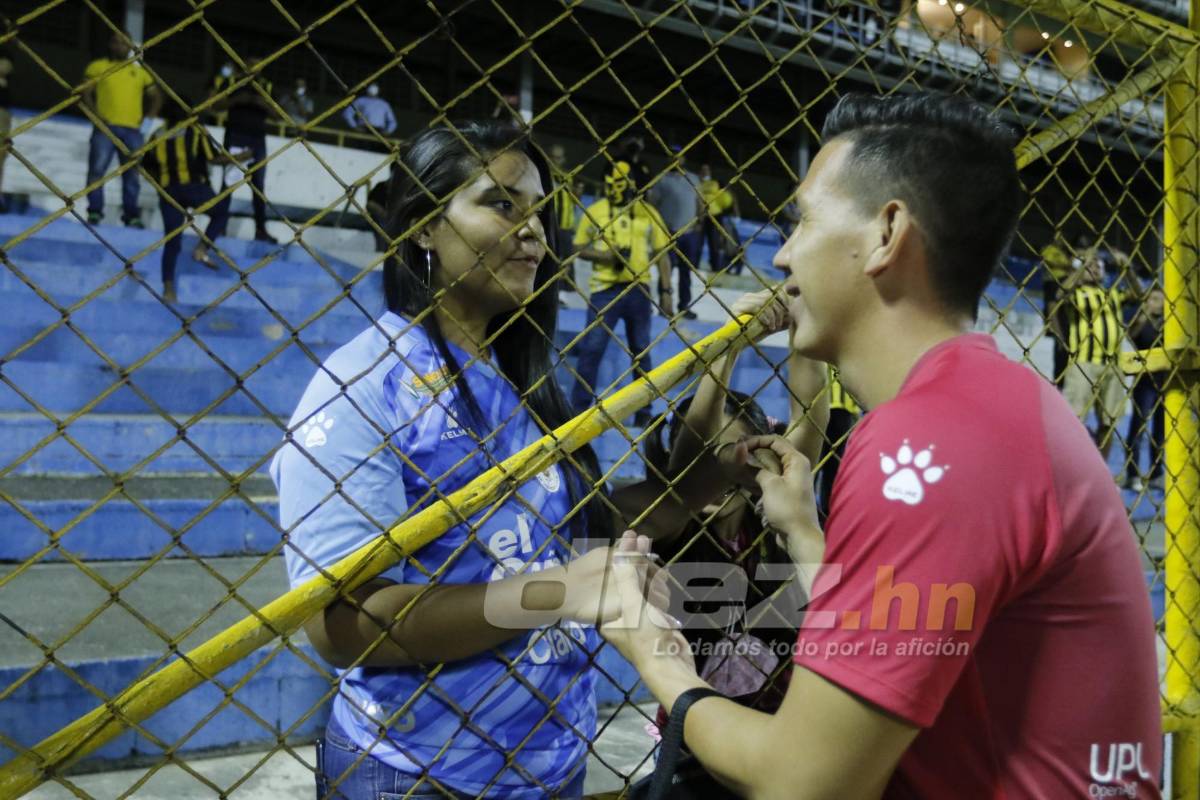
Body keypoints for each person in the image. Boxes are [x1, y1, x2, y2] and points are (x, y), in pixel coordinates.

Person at [601, 92, 1162, 798]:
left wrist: (652, 649)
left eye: (802, 219)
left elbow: (801, 785)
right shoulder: (993, 403)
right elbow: (918, 625)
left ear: (886, 231)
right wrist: (806, 530)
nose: (781, 255)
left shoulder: (928, 438)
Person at [569, 160, 674, 428]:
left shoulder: (647, 211)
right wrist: (605, 255)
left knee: (641, 351)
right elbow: (578, 247)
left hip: (639, 288)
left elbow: (662, 253)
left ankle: (644, 411)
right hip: (605, 289)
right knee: (592, 348)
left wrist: (666, 291)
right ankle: (578, 411)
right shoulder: (596, 210)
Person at [143, 96, 245, 303]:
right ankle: (201, 249)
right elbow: (213, 158)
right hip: (194, 187)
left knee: (172, 240)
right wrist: (241, 157)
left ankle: (168, 289)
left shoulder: (157, 135)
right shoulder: (195, 130)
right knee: (221, 213)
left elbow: (146, 165)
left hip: (168, 191)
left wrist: (160, 185)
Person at [1055, 248, 1130, 461]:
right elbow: (1061, 294)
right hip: (1083, 364)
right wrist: (1081, 268)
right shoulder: (1075, 294)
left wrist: (1128, 268)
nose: (1095, 267)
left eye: (1098, 265)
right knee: (1074, 419)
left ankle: (1102, 470)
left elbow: (1140, 294)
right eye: (1089, 264)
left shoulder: (1113, 293)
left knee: (1109, 422)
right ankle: (1071, 467)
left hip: (1113, 365)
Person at [82, 29, 161, 227]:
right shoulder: (98, 66)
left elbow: (156, 96)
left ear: (130, 47)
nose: (120, 46)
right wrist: (97, 117)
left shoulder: (140, 72)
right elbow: (85, 93)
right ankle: (95, 212)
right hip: (105, 128)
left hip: (133, 130)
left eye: (124, 43)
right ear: (110, 44)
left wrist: (148, 121)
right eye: (116, 42)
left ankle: (131, 215)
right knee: (97, 171)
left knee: (132, 175)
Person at [215, 56, 276, 243]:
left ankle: (260, 230)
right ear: (244, 65)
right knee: (229, 183)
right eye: (251, 64)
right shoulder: (232, 81)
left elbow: (278, 114)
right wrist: (235, 100)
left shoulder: (267, 86)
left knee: (258, 186)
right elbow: (216, 105)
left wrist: (262, 104)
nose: (254, 67)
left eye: (258, 64)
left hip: (257, 140)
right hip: (235, 136)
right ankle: (219, 227)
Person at [654, 145, 704, 319]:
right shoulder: (662, 179)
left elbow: (700, 202)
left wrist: (699, 222)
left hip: (689, 233)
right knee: (666, 269)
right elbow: (654, 205)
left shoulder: (694, 179)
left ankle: (684, 306)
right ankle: (664, 303)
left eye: (679, 155)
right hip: (668, 232)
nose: (675, 159)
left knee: (686, 272)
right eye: (672, 155)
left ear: (684, 159)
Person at [1124, 285, 1165, 492]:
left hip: (1165, 381)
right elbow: (1131, 336)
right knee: (1138, 428)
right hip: (1144, 381)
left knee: (1160, 431)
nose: (1155, 303)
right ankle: (1132, 474)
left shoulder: (1170, 324)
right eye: (1152, 299)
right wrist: (1143, 315)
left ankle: (1157, 474)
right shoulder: (1141, 321)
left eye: (1159, 299)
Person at [815, 365, 861, 521]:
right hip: (823, 405)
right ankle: (822, 512)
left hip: (842, 408)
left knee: (830, 464)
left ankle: (825, 512)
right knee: (821, 463)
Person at [697, 163, 740, 275]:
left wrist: (734, 210)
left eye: (707, 170)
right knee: (698, 242)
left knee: (714, 242)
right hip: (699, 216)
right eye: (703, 170)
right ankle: (694, 264)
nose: (705, 172)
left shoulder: (716, 183)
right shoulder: (695, 182)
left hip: (715, 216)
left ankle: (715, 266)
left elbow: (729, 194)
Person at [548, 143, 580, 292]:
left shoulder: (568, 177)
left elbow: (573, 201)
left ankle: (565, 292)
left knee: (567, 259)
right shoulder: (545, 176)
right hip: (550, 225)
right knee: (550, 259)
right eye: (553, 157)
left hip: (566, 226)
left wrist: (577, 193)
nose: (556, 161)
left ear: (563, 159)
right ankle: (551, 290)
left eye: (559, 158)